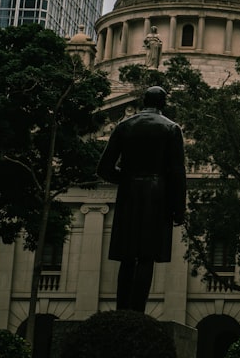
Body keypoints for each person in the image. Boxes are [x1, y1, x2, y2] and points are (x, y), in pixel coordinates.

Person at [97, 86, 186, 313]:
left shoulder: (123, 126)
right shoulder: (171, 128)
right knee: (147, 256)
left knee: (127, 256)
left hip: (128, 194)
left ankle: (121, 311)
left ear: (142, 101)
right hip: (157, 195)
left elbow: (104, 168)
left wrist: (126, 180)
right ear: (163, 103)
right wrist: (178, 208)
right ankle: (137, 313)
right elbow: (177, 171)